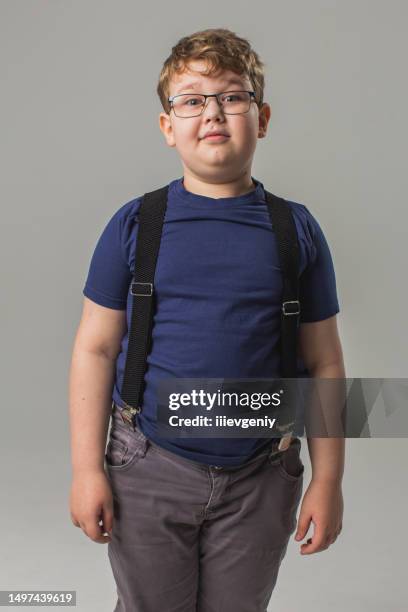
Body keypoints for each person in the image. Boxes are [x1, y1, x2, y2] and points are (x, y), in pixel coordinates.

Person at [69, 27, 345, 612]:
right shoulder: (135, 224)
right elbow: (95, 349)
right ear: (168, 126)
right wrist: (85, 469)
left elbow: (323, 361)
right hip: (147, 464)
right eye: (192, 100)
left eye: (232, 97)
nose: (213, 113)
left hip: (261, 473)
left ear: (261, 117)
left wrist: (327, 480)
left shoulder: (295, 230)